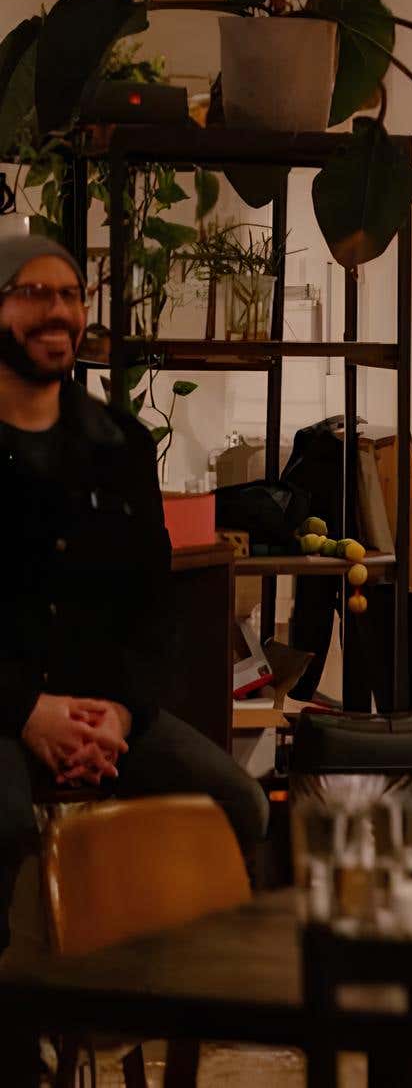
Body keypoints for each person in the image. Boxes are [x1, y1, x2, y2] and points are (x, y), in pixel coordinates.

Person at [0, 234, 270, 959]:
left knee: (235, 804)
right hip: (5, 706)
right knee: (3, 828)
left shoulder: (120, 442)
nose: (56, 311)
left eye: (69, 295)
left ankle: (165, 1004)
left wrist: (118, 711)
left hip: (105, 706)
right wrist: (28, 711)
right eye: (32, 293)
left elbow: (155, 608)